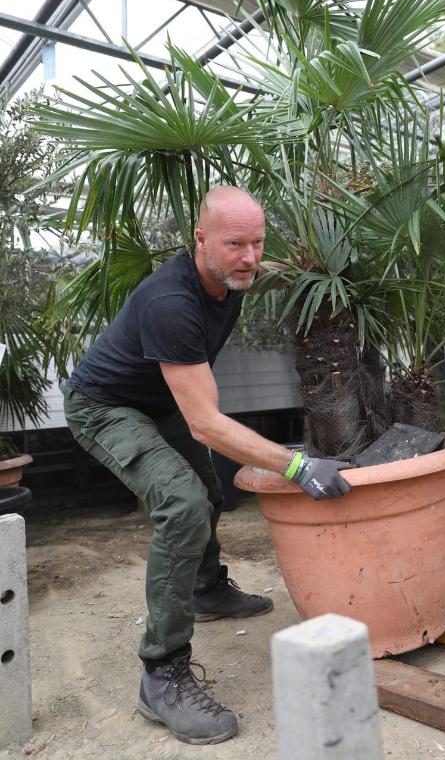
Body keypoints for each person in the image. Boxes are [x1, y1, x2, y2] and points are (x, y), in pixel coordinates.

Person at [61, 186, 352, 746]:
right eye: (235, 243)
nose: (248, 256)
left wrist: (328, 272)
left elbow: (274, 270)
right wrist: (296, 467)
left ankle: (206, 588)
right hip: (105, 408)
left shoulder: (233, 274)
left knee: (209, 491)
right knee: (184, 503)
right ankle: (162, 671)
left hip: (160, 402)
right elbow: (208, 424)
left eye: (257, 243)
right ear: (200, 240)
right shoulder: (170, 302)